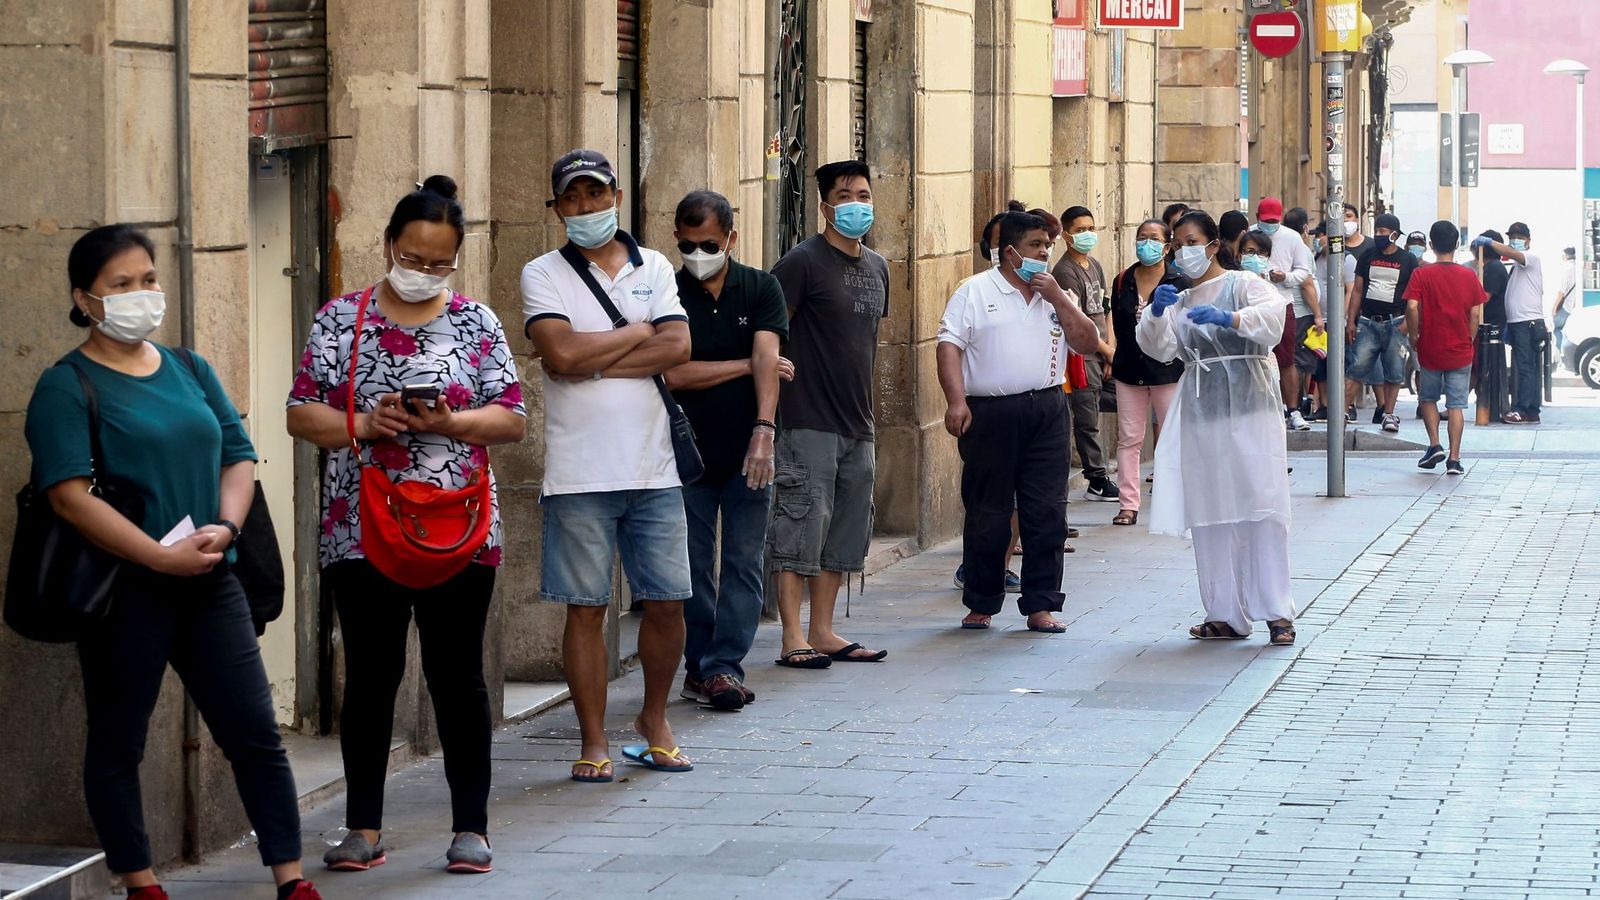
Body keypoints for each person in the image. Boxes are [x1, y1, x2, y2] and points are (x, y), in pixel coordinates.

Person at [25, 225, 321, 900]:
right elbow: (69, 496)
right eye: (121, 284)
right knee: (118, 741)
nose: (142, 294)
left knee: (254, 733)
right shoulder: (66, 386)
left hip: (212, 578)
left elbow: (238, 456)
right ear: (84, 299)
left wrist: (226, 526)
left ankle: (291, 878)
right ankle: (140, 881)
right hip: (123, 590)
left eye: (149, 279)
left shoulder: (190, 368)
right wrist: (158, 557)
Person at [288, 177, 525, 874]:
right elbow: (301, 412)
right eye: (412, 257)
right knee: (370, 675)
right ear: (389, 244)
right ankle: (362, 827)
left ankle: (471, 828)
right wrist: (365, 422)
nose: (422, 272)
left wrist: (452, 421)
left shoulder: (477, 323)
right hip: (361, 527)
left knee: (458, 676)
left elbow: (511, 418)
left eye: (438, 263)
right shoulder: (341, 319)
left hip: (459, 527)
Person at [522, 149, 696, 778]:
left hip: (655, 470)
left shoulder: (655, 266)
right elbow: (559, 355)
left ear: (616, 197)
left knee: (668, 602)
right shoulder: (542, 273)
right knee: (586, 608)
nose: (586, 206)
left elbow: (678, 345)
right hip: (579, 473)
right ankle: (592, 740)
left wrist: (591, 359)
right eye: (572, 198)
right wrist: (638, 334)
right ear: (557, 208)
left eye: (595, 194)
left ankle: (654, 719)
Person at [1136, 211, 1296, 646]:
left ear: (1212, 244)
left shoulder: (1242, 284)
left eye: (1192, 241)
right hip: (1202, 409)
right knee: (1211, 512)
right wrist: (1155, 312)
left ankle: (1277, 612)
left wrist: (1233, 319)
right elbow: (1158, 348)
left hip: (1251, 407)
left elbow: (1273, 317)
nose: (1183, 251)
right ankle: (1225, 612)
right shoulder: (1180, 300)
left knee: (1262, 505)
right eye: (1177, 243)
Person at [937, 211, 1101, 632]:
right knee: (988, 511)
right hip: (991, 412)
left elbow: (1087, 343)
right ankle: (981, 601)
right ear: (1011, 252)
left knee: (1047, 511)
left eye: (1047, 245)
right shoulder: (974, 290)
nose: (1044, 252)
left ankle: (1041, 605)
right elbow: (949, 346)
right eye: (1035, 245)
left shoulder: (1057, 293)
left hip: (1047, 408)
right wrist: (956, 402)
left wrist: (1059, 299)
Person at [663, 191, 790, 711]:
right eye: (688, 245)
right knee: (691, 567)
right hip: (685, 453)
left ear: (731, 239)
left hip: (747, 449)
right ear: (677, 239)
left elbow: (768, 356)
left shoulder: (760, 287)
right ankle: (698, 667)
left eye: (710, 245)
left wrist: (764, 431)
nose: (699, 255)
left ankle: (723, 668)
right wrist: (745, 366)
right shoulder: (666, 292)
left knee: (743, 562)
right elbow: (672, 374)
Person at [769, 159, 890, 667]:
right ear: (824, 207)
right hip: (806, 420)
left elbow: (865, 343)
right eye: (844, 196)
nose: (856, 205)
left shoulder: (878, 267)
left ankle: (823, 630)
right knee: (800, 526)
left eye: (863, 195)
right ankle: (791, 636)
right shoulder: (801, 263)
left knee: (843, 533)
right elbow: (770, 334)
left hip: (858, 422)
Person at [1107, 219, 1186, 525]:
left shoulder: (1179, 281)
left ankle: (1173, 498)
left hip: (1168, 370)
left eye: (1154, 238)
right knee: (1129, 438)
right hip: (1129, 369)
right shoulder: (1123, 279)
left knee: (1172, 434)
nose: (1146, 243)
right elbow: (1118, 325)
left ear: (1166, 247)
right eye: (1142, 237)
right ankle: (1128, 504)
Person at [1404, 221, 1484, 475]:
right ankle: (1454, 459)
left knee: (1427, 398)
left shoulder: (1421, 274)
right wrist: (1469, 338)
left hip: (1430, 346)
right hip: (1460, 349)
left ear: (1430, 245)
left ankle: (1434, 444)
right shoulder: (1469, 276)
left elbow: (1412, 307)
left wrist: (1414, 335)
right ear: (1457, 244)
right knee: (1456, 405)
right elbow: (1475, 314)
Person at [1051, 205, 1118, 502]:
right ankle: (1097, 478)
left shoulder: (1095, 265)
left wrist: (1110, 349)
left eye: (1091, 229)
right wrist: (1104, 351)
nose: (1087, 235)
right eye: (1080, 230)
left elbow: (1104, 308)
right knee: (1086, 417)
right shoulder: (1065, 271)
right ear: (1066, 235)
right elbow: (1075, 319)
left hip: (1102, 352)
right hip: (1083, 355)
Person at [1347, 213, 1419, 432]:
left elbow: (1415, 294)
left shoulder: (1408, 260)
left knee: (1394, 372)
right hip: (1368, 322)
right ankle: (1342, 411)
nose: (1378, 235)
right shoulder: (1367, 256)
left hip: (1395, 322)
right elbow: (1357, 290)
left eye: (1383, 231)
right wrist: (1351, 321)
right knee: (1356, 368)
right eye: (1376, 230)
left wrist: (1407, 325)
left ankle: (1389, 414)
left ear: (1394, 235)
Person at [1473, 223, 1545, 424]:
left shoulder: (1531, 258)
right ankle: (1531, 410)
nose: (1515, 240)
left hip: (1527, 323)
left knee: (1525, 368)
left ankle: (1522, 409)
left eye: (1519, 237)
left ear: (1528, 240)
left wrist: (1489, 242)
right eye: (1512, 237)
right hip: (1517, 323)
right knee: (1526, 366)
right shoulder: (1516, 267)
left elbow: (1511, 253)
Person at [1256, 198, 1315, 431]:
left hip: (1282, 303)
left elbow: (1304, 272)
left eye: (1274, 221)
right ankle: (1264, 408)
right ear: (1258, 218)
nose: (1269, 225)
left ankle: (1293, 409)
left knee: (1287, 358)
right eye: (1266, 221)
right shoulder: (1250, 234)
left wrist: (1286, 277)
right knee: (1255, 357)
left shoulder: (1291, 238)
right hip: (1254, 302)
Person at [1307, 221, 1357, 421]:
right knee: (1321, 366)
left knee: (1340, 365)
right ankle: (1325, 406)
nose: (1317, 240)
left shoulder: (1347, 259)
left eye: (1320, 235)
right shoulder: (1316, 257)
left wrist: (1342, 318)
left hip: (1337, 321)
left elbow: (1350, 290)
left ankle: (1345, 405)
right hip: (1319, 320)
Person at [1553, 246, 1579, 355]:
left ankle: (1559, 354)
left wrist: (1554, 308)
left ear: (1566, 256)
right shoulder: (1578, 267)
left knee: (1557, 329)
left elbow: (1561, 291)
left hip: (1566, 307)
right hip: (1575, 307)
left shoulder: (1566, 268)